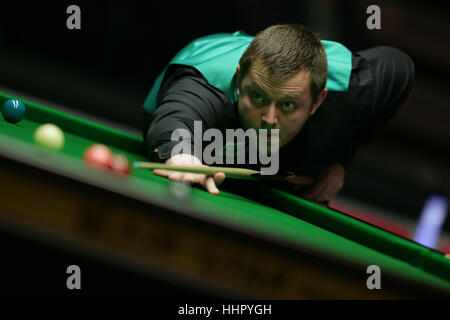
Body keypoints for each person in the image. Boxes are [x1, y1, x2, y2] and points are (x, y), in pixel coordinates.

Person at [142, 24, 415, 204]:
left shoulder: (355, 86)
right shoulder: (205, 85)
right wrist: (183, 156)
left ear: (318, 101)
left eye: (287, 105)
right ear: (240, 81)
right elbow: (178, 118)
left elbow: (400, 68)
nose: (269, 120)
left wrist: (342, 158)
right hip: (209, 138)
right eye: (258, 97)